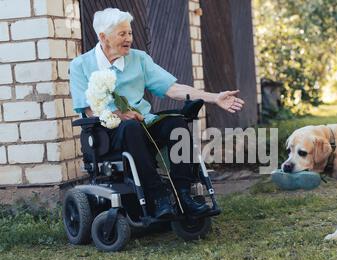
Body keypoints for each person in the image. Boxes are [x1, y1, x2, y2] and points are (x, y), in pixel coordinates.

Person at [69, 8, 245, 219]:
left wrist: (213, 97)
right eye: (122, 34)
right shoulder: (81, 65)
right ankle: (159, 196)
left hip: (143, 124)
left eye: (130, 33)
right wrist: (120, 115)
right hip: (106, 133)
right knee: (130, 126)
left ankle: (183, 194)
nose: (129, 39)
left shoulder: (139, 59)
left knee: (176, 124)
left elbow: (172, 88)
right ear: (103, 37)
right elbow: (90, 109)